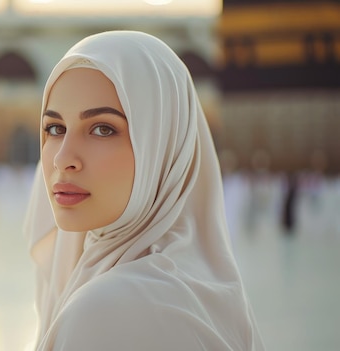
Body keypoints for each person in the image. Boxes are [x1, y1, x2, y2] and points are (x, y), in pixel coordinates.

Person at [23, 31, 265, 350]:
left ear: (162, 147)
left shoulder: (105, 313)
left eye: (102, 129)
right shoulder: (204, 287)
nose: (62, 158)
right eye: (55, 128)